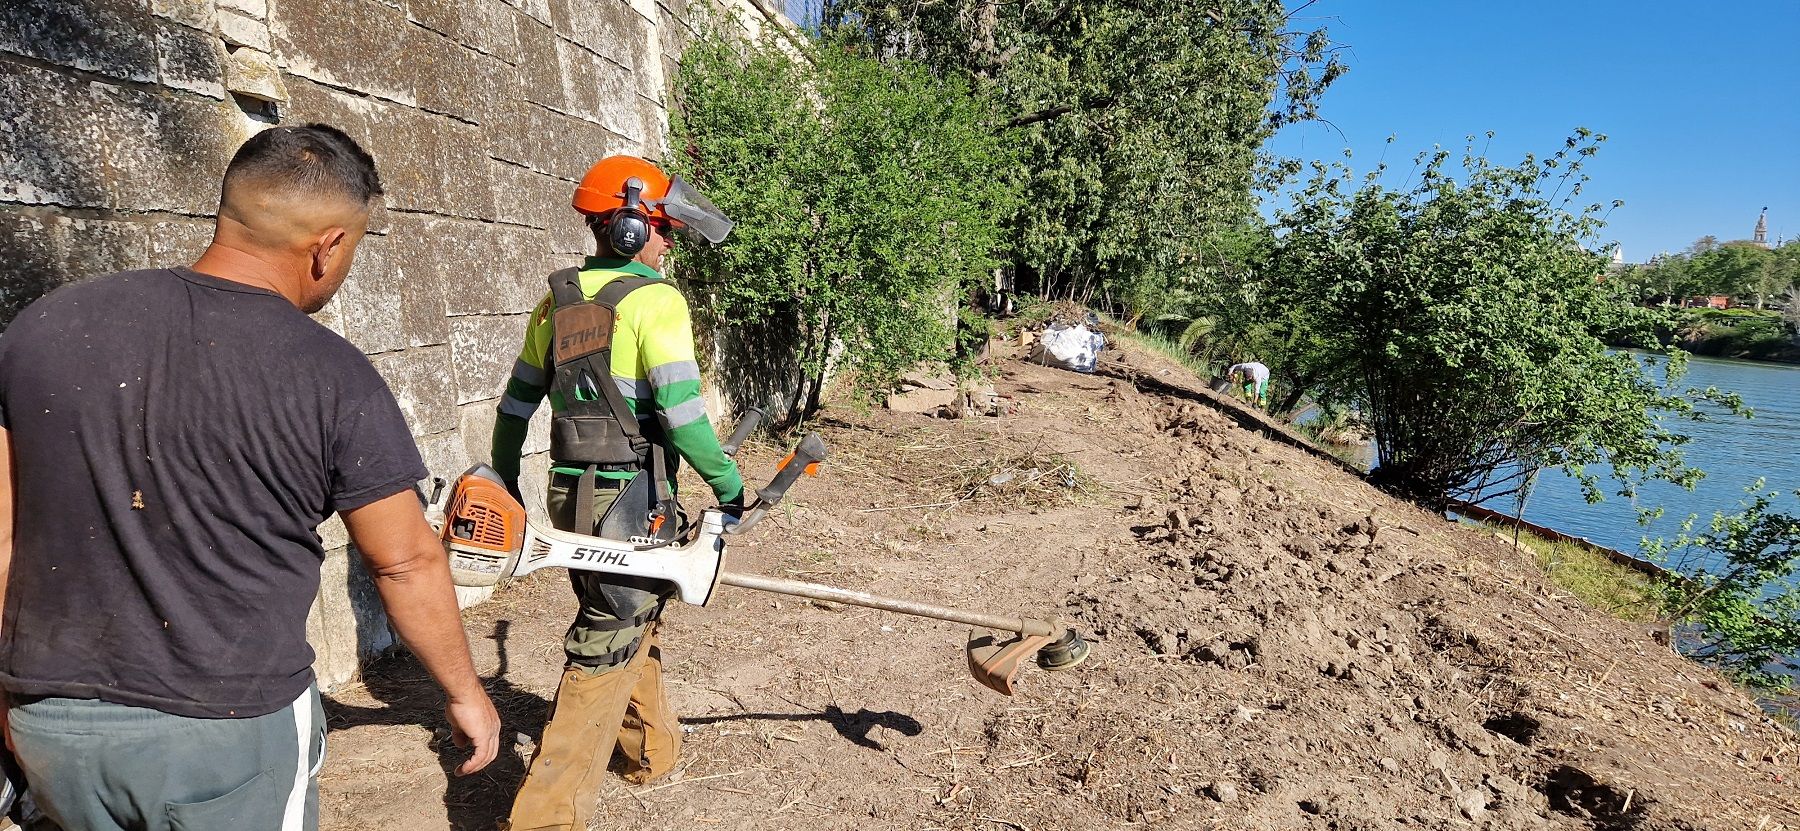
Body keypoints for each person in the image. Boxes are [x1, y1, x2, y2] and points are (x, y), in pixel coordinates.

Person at [0, 124, 500, 831]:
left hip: (53, 720)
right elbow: (406, 561)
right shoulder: (331, 374)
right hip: (227, 727)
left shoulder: (42, 328)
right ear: (327, 245)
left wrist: (12, 697)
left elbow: (3, 536)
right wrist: (464, 694)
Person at [492, 155, 741, 831]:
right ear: (628, 228)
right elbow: (685, 418)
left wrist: (505, 480)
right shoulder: (656, 300)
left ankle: (648, 752)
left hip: (571, 497)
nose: (668, 243)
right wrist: (729, 485)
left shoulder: (556, 303)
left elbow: (515, 408)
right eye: (662, 229)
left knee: (632, 615)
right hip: (632, 501)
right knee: (605, 643)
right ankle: (545, 817)